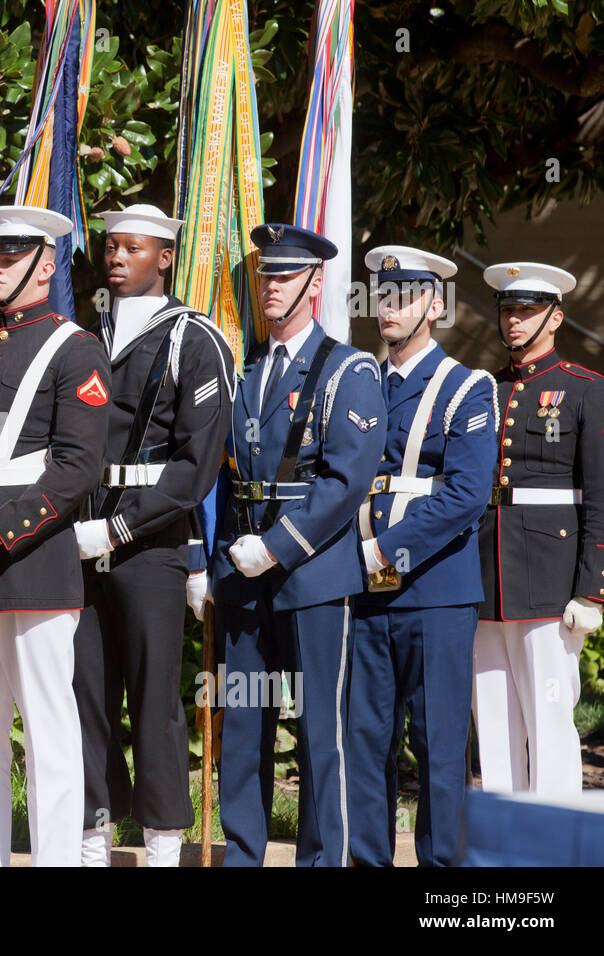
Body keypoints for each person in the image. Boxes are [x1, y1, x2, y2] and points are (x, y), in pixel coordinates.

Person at [0, 204, 110, 867]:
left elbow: (77, 467)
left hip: (31, 560)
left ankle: (58, 859)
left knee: (48, 731)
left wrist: (1, 531)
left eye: (10, 258)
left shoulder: (76, 348)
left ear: (46, 266)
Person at [211, 223, 385, 867]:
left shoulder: (348, 370)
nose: (271, 288)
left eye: (284, 278)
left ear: (315, 285)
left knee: (320, 731)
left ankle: (322, 857)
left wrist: (279, 545)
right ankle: (242, 852)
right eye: (266, 277)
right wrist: (217, 560)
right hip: (243, 575)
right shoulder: (250, 370)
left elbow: (346, 479)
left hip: (312, 573)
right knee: (245, 726)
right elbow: (230, 476)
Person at [71, 203, 235, 867]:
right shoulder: (86, 332)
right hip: (78, 530)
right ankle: (91, 832)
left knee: (153, 693)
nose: (115, 257)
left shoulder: (195, 340)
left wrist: (115, 528)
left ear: (164, 258)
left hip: (149, 539)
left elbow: (194, 470)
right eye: (111, 247)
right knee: (84, 690)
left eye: (132, 248)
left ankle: (164, 840)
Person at [346, 246, 497, 867]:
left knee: (437, 745)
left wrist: (384, 549)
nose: (390, 306)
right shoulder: (358, 382)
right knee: (364, 741)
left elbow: (467, 495)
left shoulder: (467, 387)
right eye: (384, 294)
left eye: (406, 295)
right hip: (362, 588)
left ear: (436, 305)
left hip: (434, 590)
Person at [474, 261, 604, 796]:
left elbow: (599, 496)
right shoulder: (484, 389)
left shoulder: (585, 389)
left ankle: (553, 846)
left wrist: (592, 589)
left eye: (527, 311)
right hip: (486, 575)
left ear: (556, 318)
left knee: (550, 720)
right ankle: (504, 845)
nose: (514, 322)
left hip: (551, 578)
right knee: (494, 719)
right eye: (508, 311)